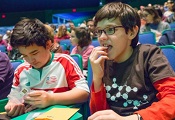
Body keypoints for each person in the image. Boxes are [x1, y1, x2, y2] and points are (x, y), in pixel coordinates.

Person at [88, 2, 175, 120]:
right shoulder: (103, 62)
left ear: (131, 32)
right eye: (99, 31)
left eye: (110, 29)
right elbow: (98, 114)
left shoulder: (149, 55)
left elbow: (172, 98)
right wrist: (97, 78)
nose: (102, 37)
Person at [5, 18, 89, 117]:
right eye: (24, 55)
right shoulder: (21, 70)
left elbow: (84, 93)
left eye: (34, 53)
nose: (31, 60)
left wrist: (51, 99)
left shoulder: (65, 62)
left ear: (48, 44)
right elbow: (16, 96)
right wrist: (12, 104)